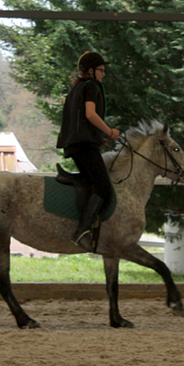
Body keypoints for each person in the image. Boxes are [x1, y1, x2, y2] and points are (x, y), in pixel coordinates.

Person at [56, 51, 120, 249]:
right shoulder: (91, 86)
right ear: (91, 71)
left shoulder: (77, 87)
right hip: (83, 144)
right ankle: (81, 230)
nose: (104, 74)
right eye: (101, 70)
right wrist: (109, 131)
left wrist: (97, 138)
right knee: (103, 188)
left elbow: (80, 120)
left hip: (76, 143)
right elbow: (90, 115)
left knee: (94, 182)